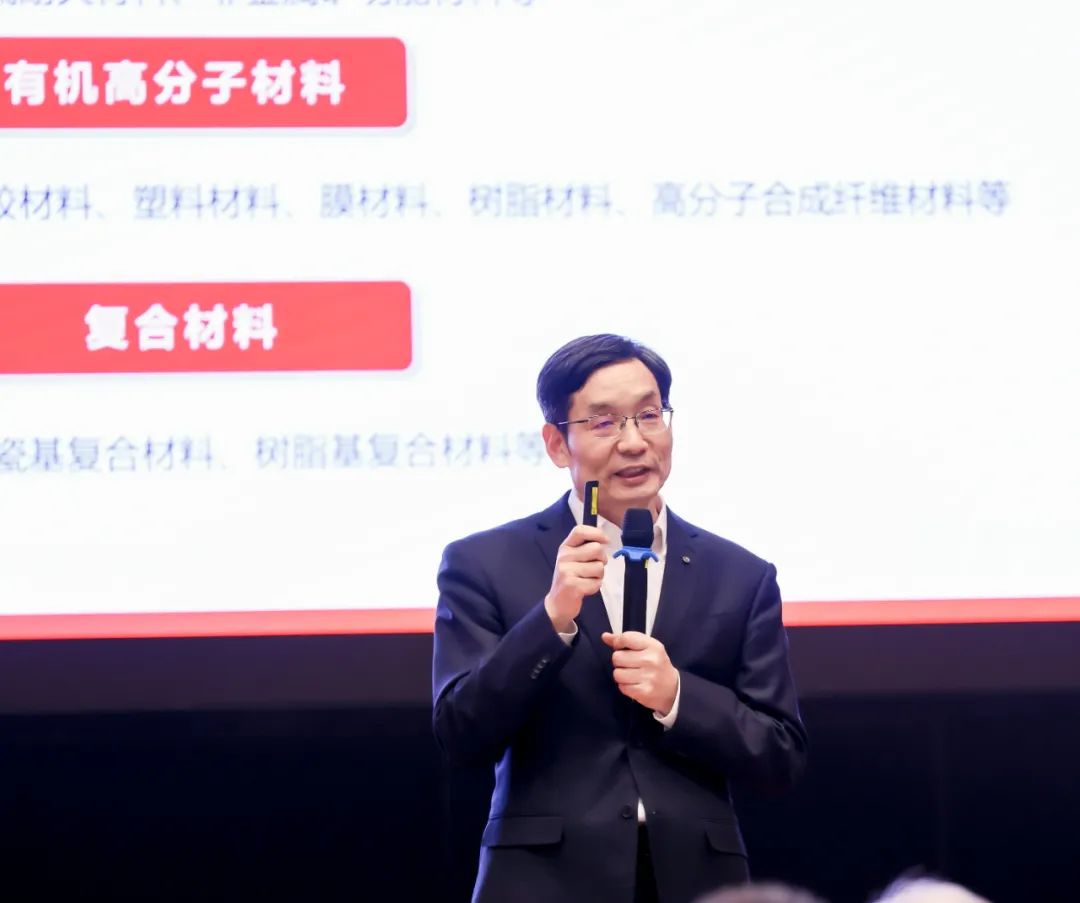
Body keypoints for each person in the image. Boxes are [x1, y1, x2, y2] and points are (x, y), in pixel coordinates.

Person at [432, 334, 808, 903]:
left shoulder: (740, 575)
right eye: (604, 423)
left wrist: (678, 696)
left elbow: (780, 755)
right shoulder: (484, 562)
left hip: (695, 882)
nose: (635, 442)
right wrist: (551, 619)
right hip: (542, 882)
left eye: (649, 415)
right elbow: (461, 733)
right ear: (557, 443)